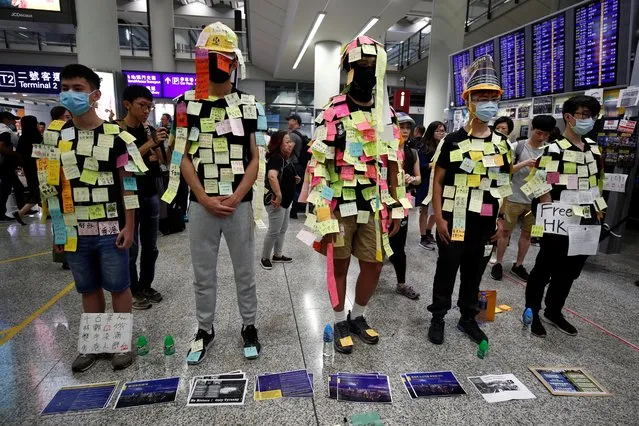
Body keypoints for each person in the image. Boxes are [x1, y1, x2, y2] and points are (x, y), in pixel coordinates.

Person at [164, 22, 261, 363]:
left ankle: (249, 325)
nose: (218, 63)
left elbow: (254, 158)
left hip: (240, 204)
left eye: (224, 57)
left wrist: (236, 197)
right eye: (211, 57)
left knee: (245, 272)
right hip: (202, 204)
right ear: (201, 59)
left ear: (234, 62)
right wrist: (203, 197)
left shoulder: (248, 104)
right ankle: (205, 329)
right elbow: (182, 156)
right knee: (203, 273)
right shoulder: (185, 103)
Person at [304, 36, 405, 355]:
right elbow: (317, 161)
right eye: (360, 66)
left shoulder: (386, 114)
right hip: (338, 205)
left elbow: (394, 162)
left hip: (375, 207)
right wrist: (321, 208)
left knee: (375, 263)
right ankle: (339, 321)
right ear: (348, 69)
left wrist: (397, 205)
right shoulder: (332, 110)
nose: (366, 71)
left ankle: (358, 315)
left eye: (372, 66)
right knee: (339, 265)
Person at [49, 64, 137, 372]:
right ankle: (94, 344)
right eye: (66, 88)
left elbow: (128, 181)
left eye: (77, 89)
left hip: (111, 226)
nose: (69, 94)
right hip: (75, 228)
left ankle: (121, 344)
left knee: (118, 286)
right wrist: (58, 231)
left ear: (95, 95)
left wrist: (129, 225)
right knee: (87, 288)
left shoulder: (117, 137)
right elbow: (52, 187)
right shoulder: (57, 138)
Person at [426, 55, 511, 345]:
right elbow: (437, 181)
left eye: (492, 96)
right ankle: (438, 316)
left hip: (485, 220)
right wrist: (438, 218)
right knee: (446, 269)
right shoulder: (451, 140)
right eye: (481, 96)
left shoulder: (501, 144)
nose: (488, 101)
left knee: (474, 272)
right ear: (469, 101)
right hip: (453, 218)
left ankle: (467, 318)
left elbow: (502, 183)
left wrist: (500, 219)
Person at [524, 95, 604, 338]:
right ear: (569, 117)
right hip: (559, 220)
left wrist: (598, 210)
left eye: (592, 115)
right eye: (583, 114)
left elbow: (597, 182)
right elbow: (540, 183)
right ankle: (532, 311)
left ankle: (554, 310)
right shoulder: (553, 150)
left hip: (586, 220)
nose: (588, 119)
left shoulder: (593, 149)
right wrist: (549, 215)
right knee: (544, 269)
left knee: (569, 271)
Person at [491, 115, 556, 282]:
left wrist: (550, 175)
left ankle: (518, 265)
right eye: (539, 133)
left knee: (528, 235)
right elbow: (504, 170)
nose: (542, 137)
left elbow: (554, 178)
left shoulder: (549, 150)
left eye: (545, 135)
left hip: (535, 200)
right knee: (505, 232)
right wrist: (526, 163)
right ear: (532, 128)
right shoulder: (517, 147)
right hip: (512, 197)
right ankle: (498, 263)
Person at [120, 85, 167, 310]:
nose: (146, 110)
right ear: (127, 104)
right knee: (131, 246)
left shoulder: (149, 130)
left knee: (152, 246)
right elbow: (124, 162)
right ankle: (133, 290)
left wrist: (157, 144)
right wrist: (149, 144)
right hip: (129, 195)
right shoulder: (117, 130)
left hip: (150, 192)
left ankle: (146, 284)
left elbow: (160, 160)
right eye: (142, 105)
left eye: (149, 106)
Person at [390, 113, 421, 299]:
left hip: (402, 202)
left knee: (399, 245)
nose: (405, 131)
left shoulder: (412, 153)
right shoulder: (383, 151)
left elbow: (419, 179)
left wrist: (412, 179)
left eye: (408, 128)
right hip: (382, 202)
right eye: (401, 127)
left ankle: (401, 283)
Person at [260, 131, 299, 269]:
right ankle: (265, 257)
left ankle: (277, 254)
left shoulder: (284, 158)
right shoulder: (276, 157)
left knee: (282, 229)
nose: (290, 144)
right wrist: (278, 194)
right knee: (274, 231)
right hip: (277, 201)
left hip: (285, 202)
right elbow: (272, 176)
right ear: (278, 144)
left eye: (290, 141)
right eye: (287, 142)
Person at [416, 121, 446, 250]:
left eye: (442, 131)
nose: (441, 133)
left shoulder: (445, 145)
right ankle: (422, 237)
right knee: (425, 211)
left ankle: (428, 232)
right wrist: (433, 165)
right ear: (431, 131)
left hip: (439, 183)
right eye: (438, 131)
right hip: (426, 183)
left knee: (437, 210)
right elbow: (420, 167)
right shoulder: (424, 146)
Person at [12, 115, 42, 225]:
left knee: (37, 189)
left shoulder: (23, 138)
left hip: (29, 168)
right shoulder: (37, 137)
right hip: (41, 167)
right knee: (40, 190)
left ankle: (22, 212)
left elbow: (20, 154)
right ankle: (22, 212)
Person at [0, 111, 23, 221]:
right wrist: (16, 155)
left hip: (5, 165)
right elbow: (1, 147)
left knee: (14, 186)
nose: (14, 122)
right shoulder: (4, 131)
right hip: (4, 165)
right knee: (5, 188)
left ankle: (22, 208)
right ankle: (1, 213)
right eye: (12, 119)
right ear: (6, 119)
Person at [285, 113, 307, 219]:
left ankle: (293, 212)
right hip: (302, 165)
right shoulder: (303, 133)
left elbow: (288, 150)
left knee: (294, 188)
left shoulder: (293, 135)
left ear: (295, 121)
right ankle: (298, 208)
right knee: (299, 188)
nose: (288, 122)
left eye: (289, 120)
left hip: (295, 165)